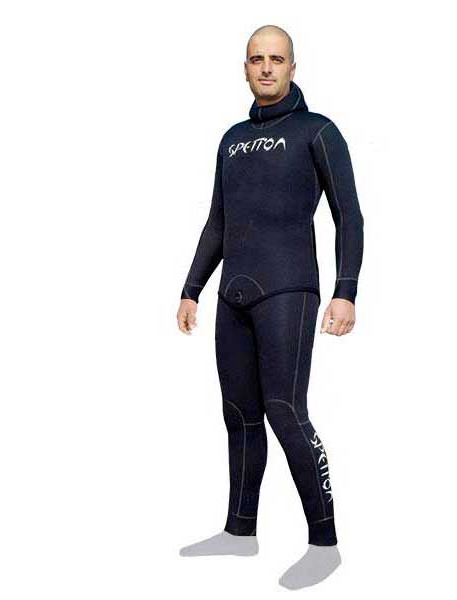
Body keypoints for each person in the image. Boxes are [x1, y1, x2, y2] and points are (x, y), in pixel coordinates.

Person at [176, 24, 364, 590]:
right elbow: (218, 220)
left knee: (286, 410)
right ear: (245, 68)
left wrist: (346, 290)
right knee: (238, 414)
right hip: (233, 294)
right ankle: (240, 531)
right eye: (256, 59)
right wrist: (191, 287)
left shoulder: (317, 131)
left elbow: (349, 215)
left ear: (292, 67)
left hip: (289, 290)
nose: (265, 68)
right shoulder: (231, 139)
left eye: (276, 59)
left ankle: (324, 544)